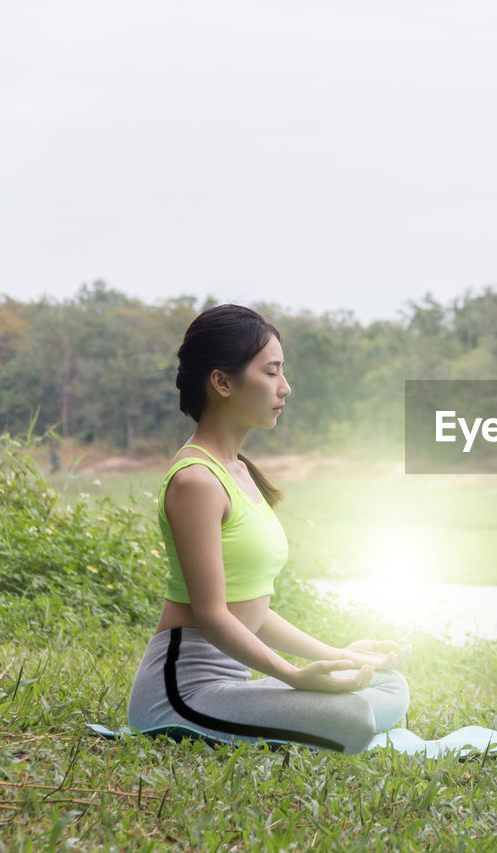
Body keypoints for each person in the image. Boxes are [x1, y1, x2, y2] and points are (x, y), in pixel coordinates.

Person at [127, 304, 411, 753]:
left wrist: (340, 656)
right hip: (181, 695)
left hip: (230, 681)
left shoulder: (237, 471)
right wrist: (295, 678)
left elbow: (252, 611)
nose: (286, 387)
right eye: (272, 372)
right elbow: (212, 615)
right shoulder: (195, 482)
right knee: (355, 716)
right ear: (222, 382)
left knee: (391, 684)